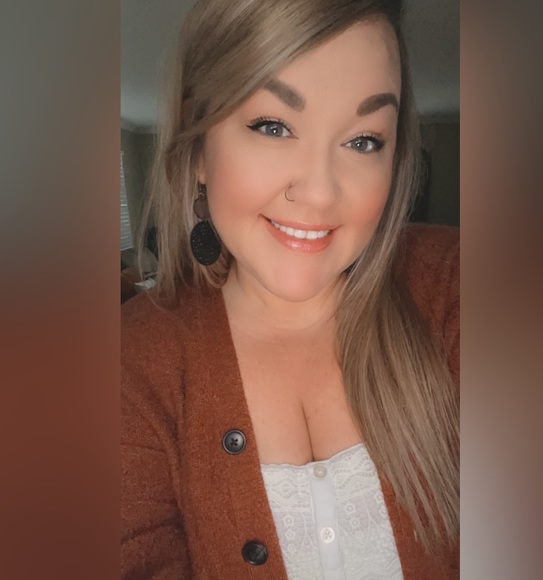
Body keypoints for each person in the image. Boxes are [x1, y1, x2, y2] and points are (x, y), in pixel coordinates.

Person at [121, 0, 459, 578]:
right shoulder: (130, 362)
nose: (322, 192)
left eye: (364, 140)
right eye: (273, 127)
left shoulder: (451, 283)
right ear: (198, 145)